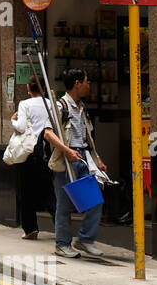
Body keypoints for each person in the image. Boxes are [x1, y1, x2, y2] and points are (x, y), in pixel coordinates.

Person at [43, 68, 108, 259]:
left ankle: (85, 239)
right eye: (86, 82)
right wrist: (67, 150)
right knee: (64, 204)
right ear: (77, 84)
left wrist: (97, 159)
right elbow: (48, 133)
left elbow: (87, 137)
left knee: (95, 198)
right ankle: (62, 244)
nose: (89, 86)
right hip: (66, 159)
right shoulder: (60, 106)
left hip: (83, 157)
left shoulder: (82, 107)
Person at [11, 76, 54, 240]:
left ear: (29, 88)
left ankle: (31, 229)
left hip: (29, 152)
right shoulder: (51, 104)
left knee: (26, 191)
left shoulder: (24, 104)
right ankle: (60, 224)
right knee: (49, 190)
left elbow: (21, 127)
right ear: (43, 88)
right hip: (47, 151)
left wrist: (12, 121)